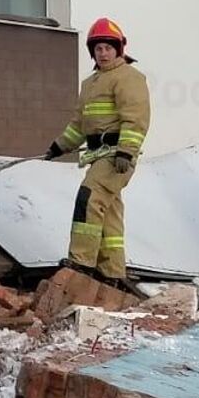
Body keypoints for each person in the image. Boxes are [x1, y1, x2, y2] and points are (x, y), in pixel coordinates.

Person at [44, 17, 150, 291]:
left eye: (107, 47)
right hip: (99, 154)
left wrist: (126, 151)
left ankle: (81, 263)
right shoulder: (90, 83)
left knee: (89, 198)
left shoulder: (129, 77)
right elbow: (79, 124)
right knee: (110, 212)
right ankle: (112, 272)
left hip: (117, 155)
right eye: (98, 48)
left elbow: (136, 119)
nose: (103, 53)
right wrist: (58, 146)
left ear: (119, 49)